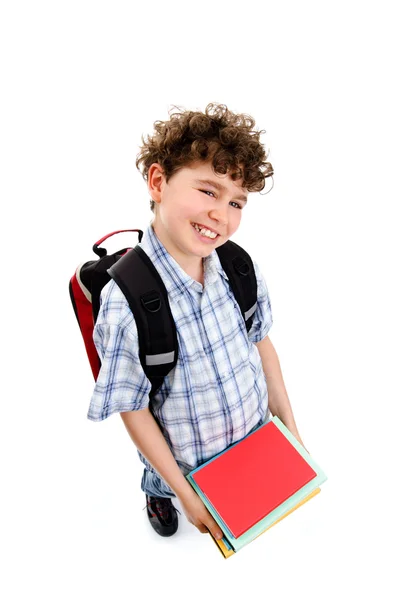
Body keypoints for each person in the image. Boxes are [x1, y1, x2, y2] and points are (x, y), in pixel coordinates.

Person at [88, 103, 305, 540]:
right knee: (159, 478)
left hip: (250, 442)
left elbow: (260, 342)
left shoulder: (238, 266)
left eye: (236, 202)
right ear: (158, 181)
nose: (221, 216)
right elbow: (132, 406)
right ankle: (158, 494)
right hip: (182, 457)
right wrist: (186, 495)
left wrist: (289, 431)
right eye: (208, 192)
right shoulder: (124, 301)